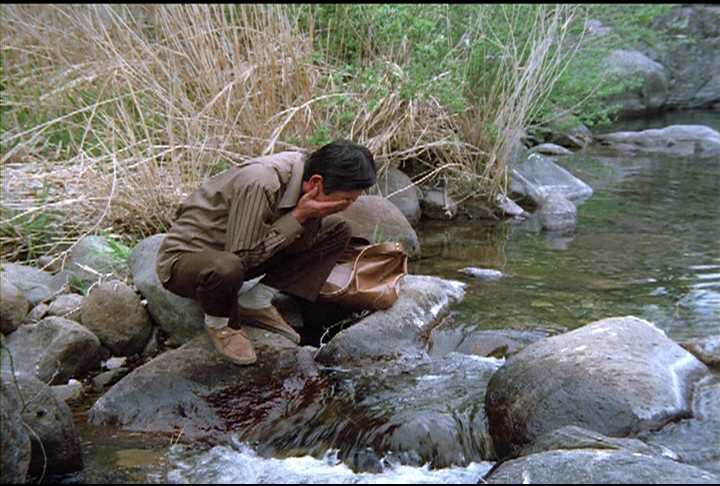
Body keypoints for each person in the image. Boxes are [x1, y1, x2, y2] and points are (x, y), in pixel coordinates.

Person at [155, 139, 377, 365]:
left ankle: (255, 301)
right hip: (189, 261)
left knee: (338, 230)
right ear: (316, 182)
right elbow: (244, 257)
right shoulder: (262, 182)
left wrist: (308, 216)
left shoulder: (304, 174)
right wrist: (299, 215)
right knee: (228, 267)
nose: (349, 205)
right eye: (347, 199)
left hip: (241, 251)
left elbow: (297, 244)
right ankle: (220, 325)